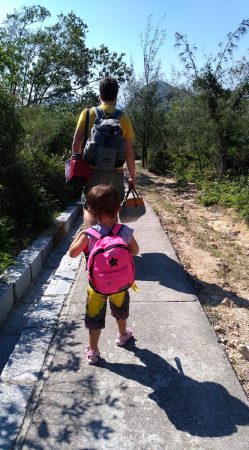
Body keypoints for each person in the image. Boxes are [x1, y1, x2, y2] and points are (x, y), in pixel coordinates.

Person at [69, 184, 139, 365]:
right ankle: (123, 335)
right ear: (118, 208)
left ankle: (93, 352)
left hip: (97, 287)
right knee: (121, 310)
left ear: (91, 211)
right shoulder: (124, 231)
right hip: (120, 284)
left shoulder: (89, 234)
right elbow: (135, 251)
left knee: (94, 317)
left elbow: (72, 253)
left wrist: (81, 234)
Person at [72, 76, 136, 226]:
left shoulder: (88, 113)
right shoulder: (124, 118)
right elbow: (129, 153)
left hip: (92, 172)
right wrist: (132, 177)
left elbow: (76, 144)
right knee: (112, 210)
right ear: (116, 96)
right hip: (116, 173)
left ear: (100, 95)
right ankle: (110, 245)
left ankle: (93, 243)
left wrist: (78, 168)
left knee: (90, 207)